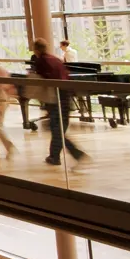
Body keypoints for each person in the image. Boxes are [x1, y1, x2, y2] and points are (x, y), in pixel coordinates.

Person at [32, 38, 88, 166]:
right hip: (65, 95)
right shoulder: (56, 59)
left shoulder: (41, 61)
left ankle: (73, 153)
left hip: (55, 97)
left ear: (36, 50)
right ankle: (54, 156)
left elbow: (43, 80)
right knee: (59, 128)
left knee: (56, 129)